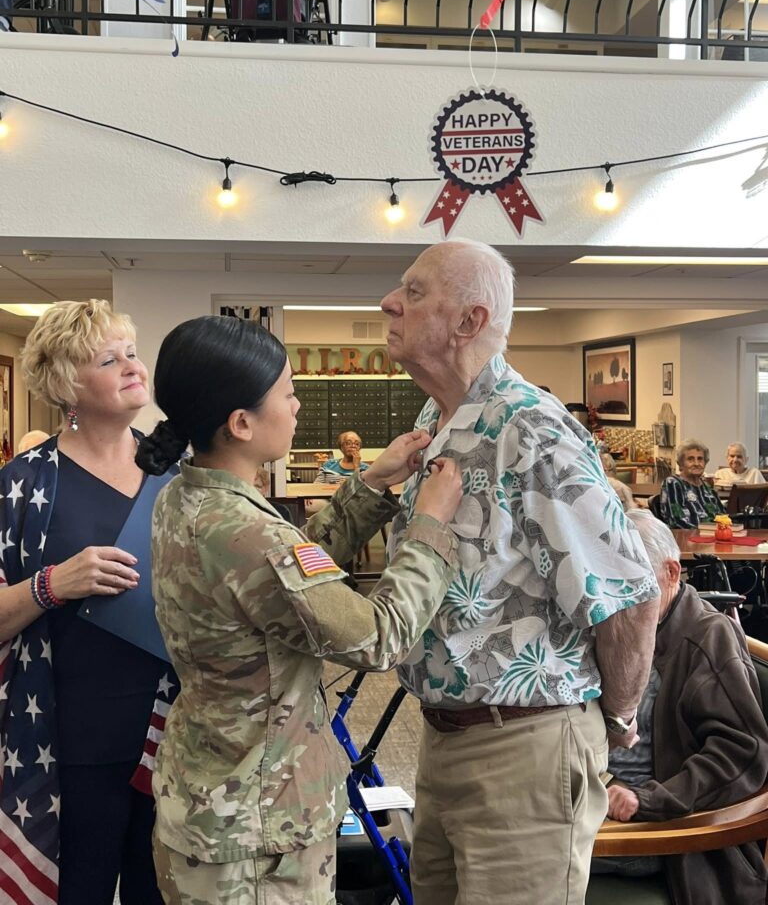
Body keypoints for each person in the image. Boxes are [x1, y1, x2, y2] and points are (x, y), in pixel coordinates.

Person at [136, 315, 464, 905]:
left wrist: (370, 486)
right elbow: (379, 636)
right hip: (258, 839)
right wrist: (430, 526)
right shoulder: (249, 532)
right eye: (286, 393)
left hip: (211, 800)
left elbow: (286, 578)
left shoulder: (186, 498)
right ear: (241, 422)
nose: (297, 405)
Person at [380, 240, 660, 905]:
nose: (390, 302)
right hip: (445, 737)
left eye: (415, 292)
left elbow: (629, 596)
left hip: (525, 748)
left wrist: (618, 718)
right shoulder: (439, 418)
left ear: (468, 323)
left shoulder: (530, 428)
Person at [0, 300, 173, 905]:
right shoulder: (23, 485)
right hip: (66, 740)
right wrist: (51, 583)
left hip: (178, 735)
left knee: (164, 894)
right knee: (80, 891)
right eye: (108, 358)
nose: (131, 366)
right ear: (66, 384)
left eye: (131, 351)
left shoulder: (179, 472)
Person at [595, 509, 768, 905]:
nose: (618, 595)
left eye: (634, 582)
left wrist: (649, 799)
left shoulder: (708, 638)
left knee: (518, 859)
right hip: (597, 806)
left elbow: (743, 752)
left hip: (657, 831)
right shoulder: (614, 627)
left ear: (672, 573)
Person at [658, 438, 722, 529]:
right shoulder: (673, 483)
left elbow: (722, 516)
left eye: (700, 459)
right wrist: (705, 533)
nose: (696, 463)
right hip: (688, 538)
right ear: (680, 463)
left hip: (714, 536)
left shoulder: (707, 487)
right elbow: (676, 521)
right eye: (690, 459)